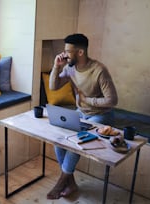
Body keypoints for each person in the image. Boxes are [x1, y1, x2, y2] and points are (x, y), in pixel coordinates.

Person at [47, 33, 118, 199]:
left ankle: (61, 183)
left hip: (101, 116)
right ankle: (70, 183)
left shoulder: (99, 70)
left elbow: (112, 100)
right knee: (59, 141)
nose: (64, 54)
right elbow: (53, 86)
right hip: (81, 113)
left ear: (80, 52)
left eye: (67, 51)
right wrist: (56, 67)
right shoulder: (70, 68)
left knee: (77, 141)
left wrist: (88, 100)